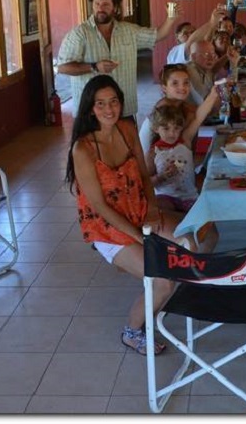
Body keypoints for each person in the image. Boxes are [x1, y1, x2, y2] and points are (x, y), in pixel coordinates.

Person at [66, 75, 185, 355]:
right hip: (108, 227)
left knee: (191, 240)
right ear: (89, 108)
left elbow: (144, 174)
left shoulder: (127, 128)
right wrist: (140, 237)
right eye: (100, 104)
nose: (109, 109)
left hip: (140, 211)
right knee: (162, 280)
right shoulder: (82, 148)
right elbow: (100, 208)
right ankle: (132, 331)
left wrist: (154, 210)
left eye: (114, 102)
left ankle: (157, 299)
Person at [57, 0, 180, 119]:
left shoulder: (128, 30)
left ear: (115, 7)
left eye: (105, 5)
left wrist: (171, 19)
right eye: (96, 4)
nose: (100, 9)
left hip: (123, 107)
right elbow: (62, 68)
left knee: (127, 140)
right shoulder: (79, 34)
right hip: (91, 111)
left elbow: (158, 35)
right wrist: (94, 66)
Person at [145, 95, 220, 253]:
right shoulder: (153, 152)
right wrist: (161, 177)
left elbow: (200, 116)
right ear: (156, 128)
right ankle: (172, 253)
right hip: (165, 197)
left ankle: (201, 263)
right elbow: (146, 182)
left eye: (176, 128)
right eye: (166, 128)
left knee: (211, 233)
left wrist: (213, 95)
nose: (172, 133)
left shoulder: (184, 140)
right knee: (164, 215)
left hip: (188, 196)